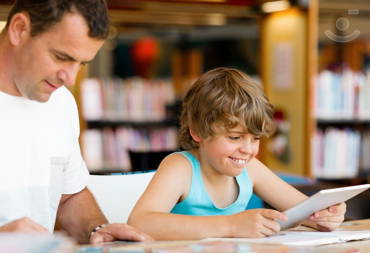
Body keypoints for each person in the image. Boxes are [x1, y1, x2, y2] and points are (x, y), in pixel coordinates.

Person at [128, 67, 346, 240]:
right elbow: (140, 223)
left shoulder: (250, 169)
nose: (248, 149)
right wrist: (231, 225)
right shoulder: (180, 168)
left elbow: (302, 209)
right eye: (234, 137)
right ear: (197, 131)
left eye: (255, 138)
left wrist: (323, 216)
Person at [0, 0, 152, 244]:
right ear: (19, 29)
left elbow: (68, 196)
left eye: (81, 64)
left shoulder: (61, 103)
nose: (70, 78)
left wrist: (96, 229)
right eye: (61, 57)